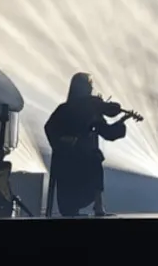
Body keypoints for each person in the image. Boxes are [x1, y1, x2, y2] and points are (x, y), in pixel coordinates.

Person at [44, 72, 131, 217]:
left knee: (94, 158)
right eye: (89, 86)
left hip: (84, 159)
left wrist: (122, 121)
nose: (92, 90)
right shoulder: (64, 110)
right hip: (68, 160)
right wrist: (63, 140)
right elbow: (50, 128)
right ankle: (91, 206)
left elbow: (107, 132)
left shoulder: (93, 110)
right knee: (93, 158)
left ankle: (98, 205)